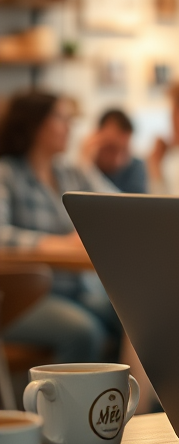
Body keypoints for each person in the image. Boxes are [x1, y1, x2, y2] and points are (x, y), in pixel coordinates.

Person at [0, 92, 115, 362]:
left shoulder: (69, 173)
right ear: (35, 124)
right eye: (61, 118)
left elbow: (117, 208)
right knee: (84, 332)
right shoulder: (6, 173)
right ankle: (67, 403)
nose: (70, 126)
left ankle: (130, 400)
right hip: (23, 297)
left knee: (134, 318)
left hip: (75, 289)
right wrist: (58, 243)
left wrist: (89, 164)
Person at [82, 108, 147, 194]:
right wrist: (86, 164)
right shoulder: (86, 166)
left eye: (124, 149)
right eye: (112, 148)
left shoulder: (136, 167)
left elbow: (125, 203)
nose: (118, 158)